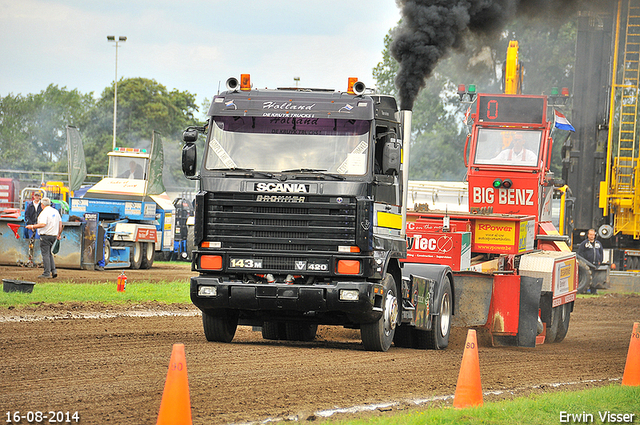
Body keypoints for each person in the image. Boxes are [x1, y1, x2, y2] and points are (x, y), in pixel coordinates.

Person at [26, 197, 62, 279]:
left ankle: (46, 273)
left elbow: (42, 224)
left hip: (45, 235)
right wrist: (58, 234)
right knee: (49, 253)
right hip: (53, 235)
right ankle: (54, 271)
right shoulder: (56, 212)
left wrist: (32, 226)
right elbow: (60, 224)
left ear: (42, 205)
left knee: (45, 254)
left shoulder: (44, 213)